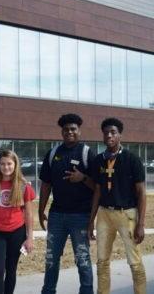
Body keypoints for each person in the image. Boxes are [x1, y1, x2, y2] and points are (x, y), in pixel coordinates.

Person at [88, 118, 147, 294]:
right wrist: (91, 221)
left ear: (120, 134)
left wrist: (141, 224)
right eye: (106, 132)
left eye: (113, 132)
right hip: (105, 214)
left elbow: (141, 193)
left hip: (126, 214)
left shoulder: (132, 159)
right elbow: (97, 191)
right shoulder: (99, 160)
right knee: (102, 262)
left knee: (135, 263)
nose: (109, 135)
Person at [39, 114, 95, 294]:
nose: (69, 132)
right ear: (61, 132)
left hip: (81, 216)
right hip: (56, 217)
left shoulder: (87, 153)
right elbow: (46, 185)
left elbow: (98, 187)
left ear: (79, 131)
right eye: (66, 129)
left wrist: (83, 177)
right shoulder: (54, 153)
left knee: (83, 260)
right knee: (51, 260)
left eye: (73, 129)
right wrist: (41, 211)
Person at [0, 150, 35, 294]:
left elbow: (29, 213)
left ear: (15, 165)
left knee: (11, 269)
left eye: (9, 164)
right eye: (3, 164)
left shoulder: (23, 185)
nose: (6, 167)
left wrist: (30, 237)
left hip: (17, 232)